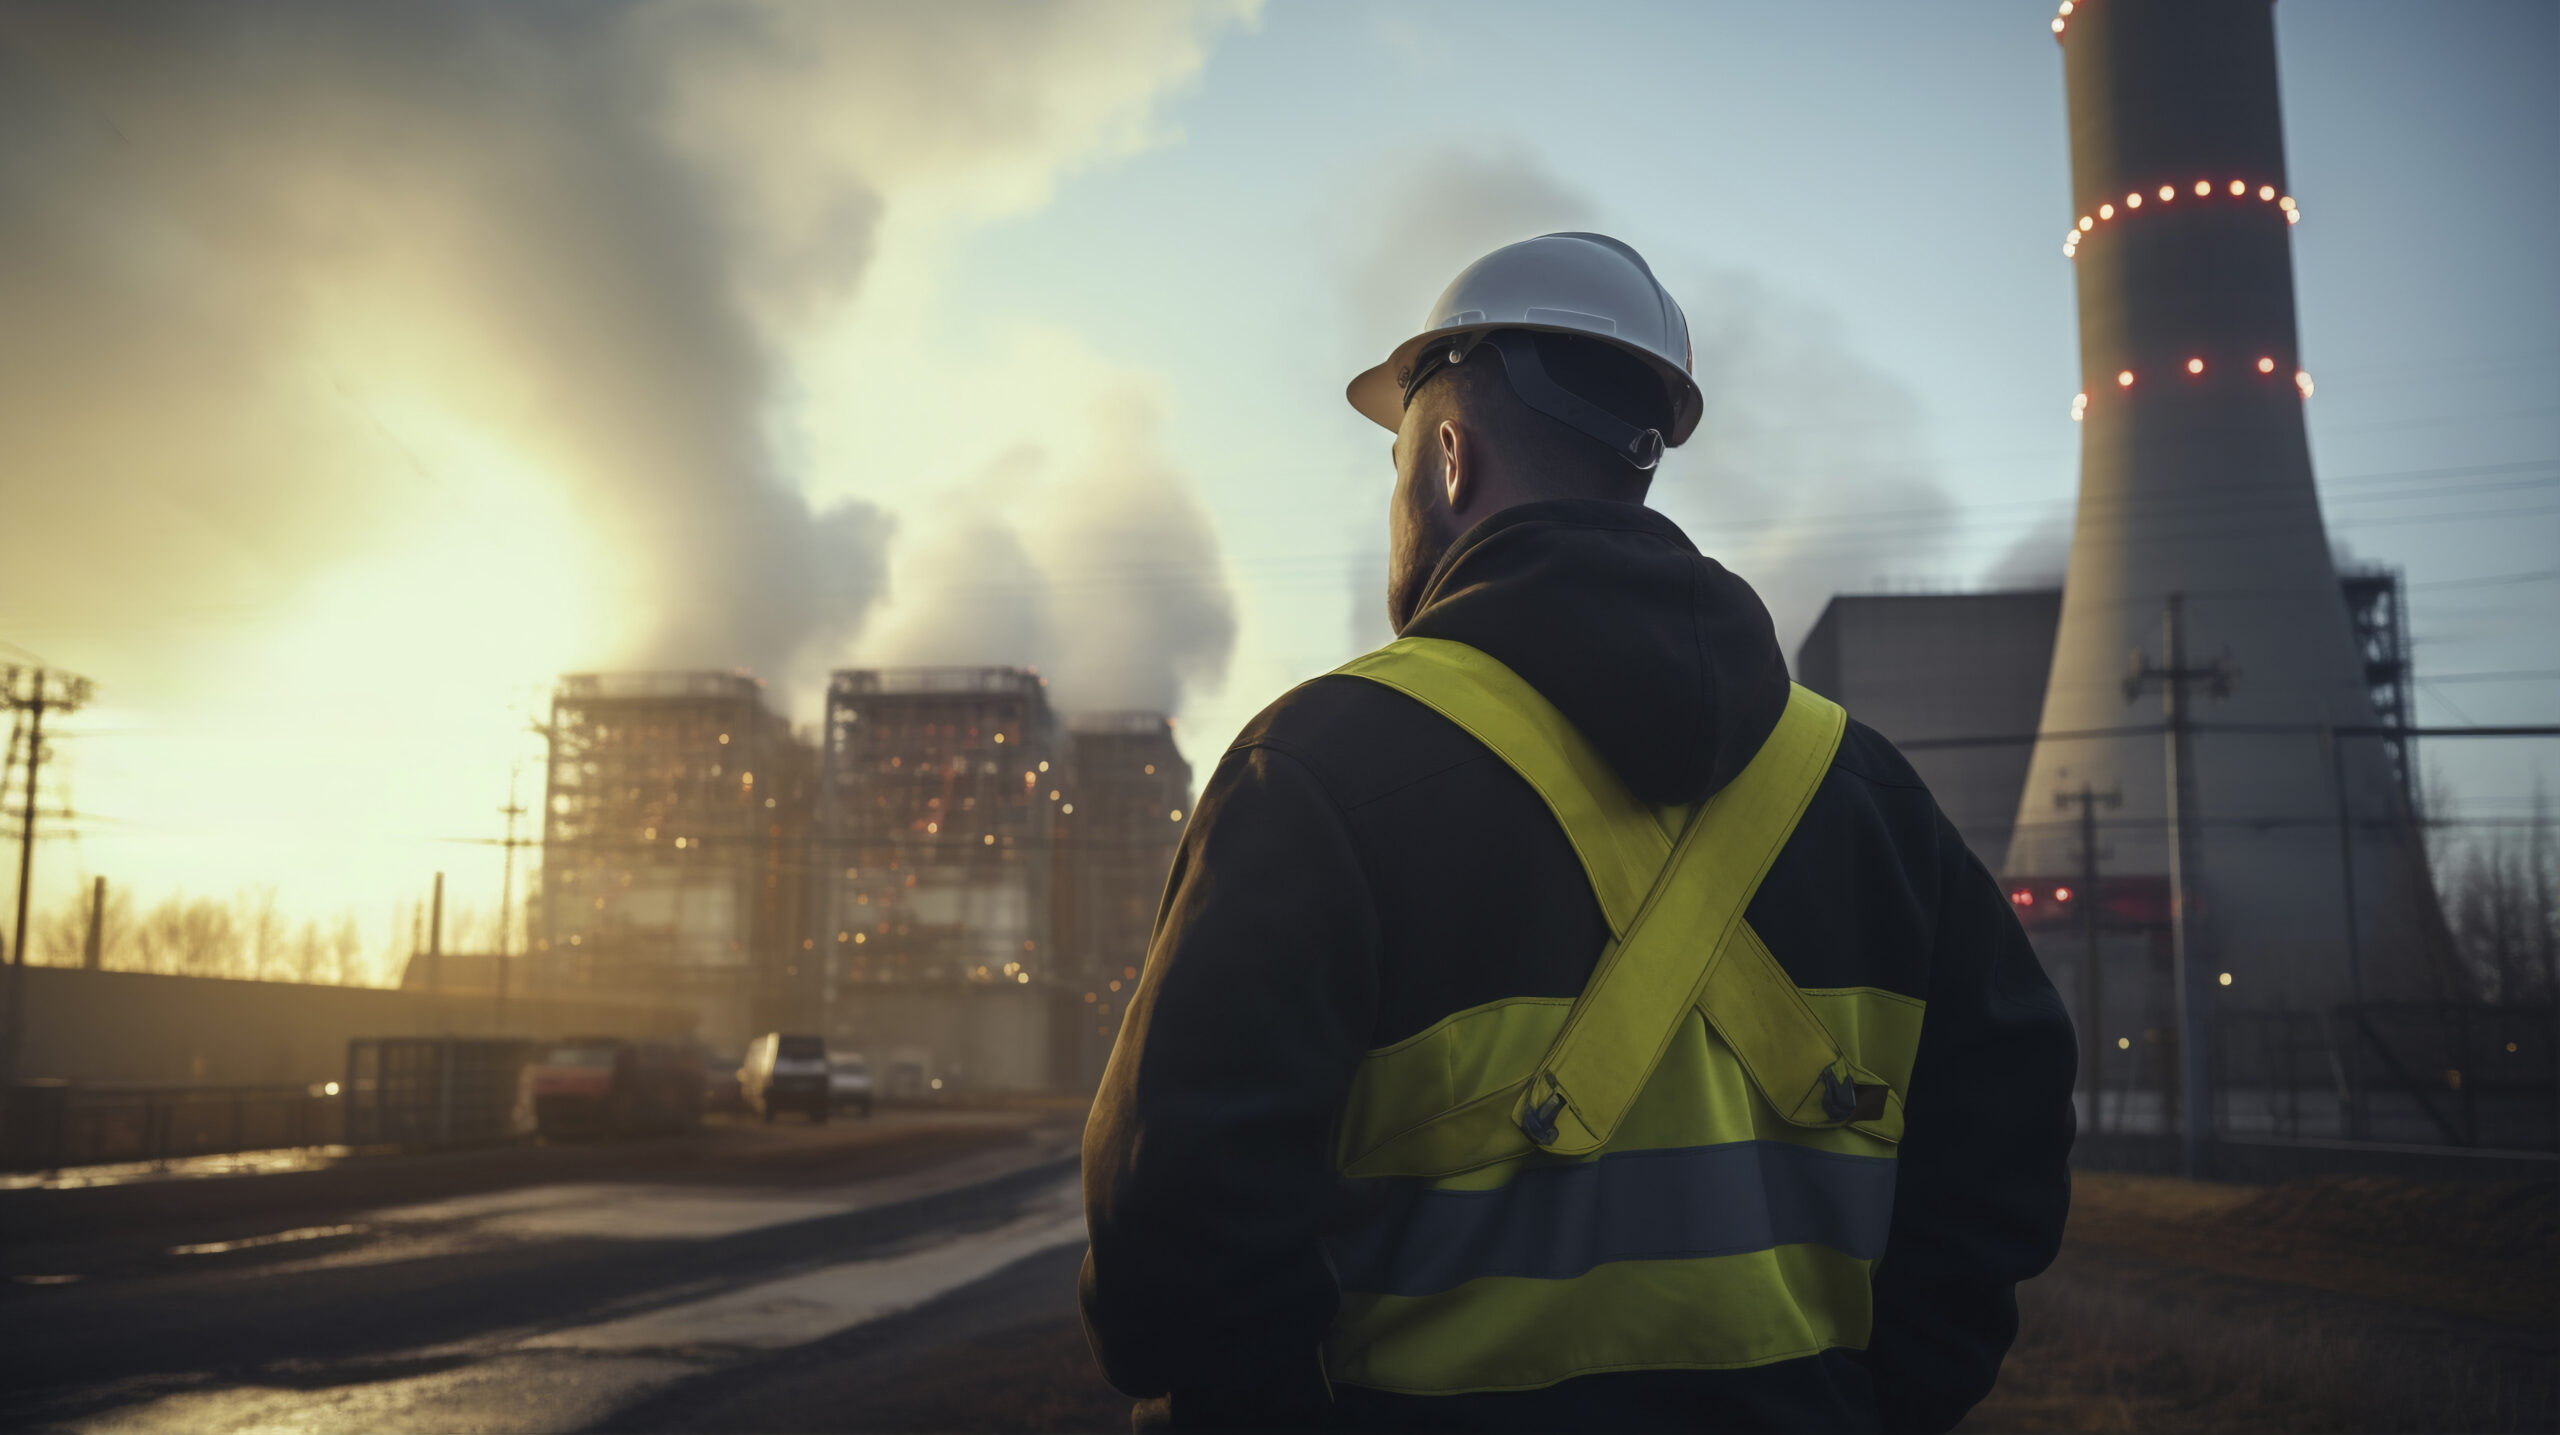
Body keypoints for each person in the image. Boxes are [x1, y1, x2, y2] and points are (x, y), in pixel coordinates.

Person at [1079, 233, 2075, 1433]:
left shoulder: (1311, 773)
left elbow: (1168, 1248)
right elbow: (2008, 1143)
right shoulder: (1869, 795)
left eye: (1394, 459)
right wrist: (1877, 1398)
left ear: (1447, 459)